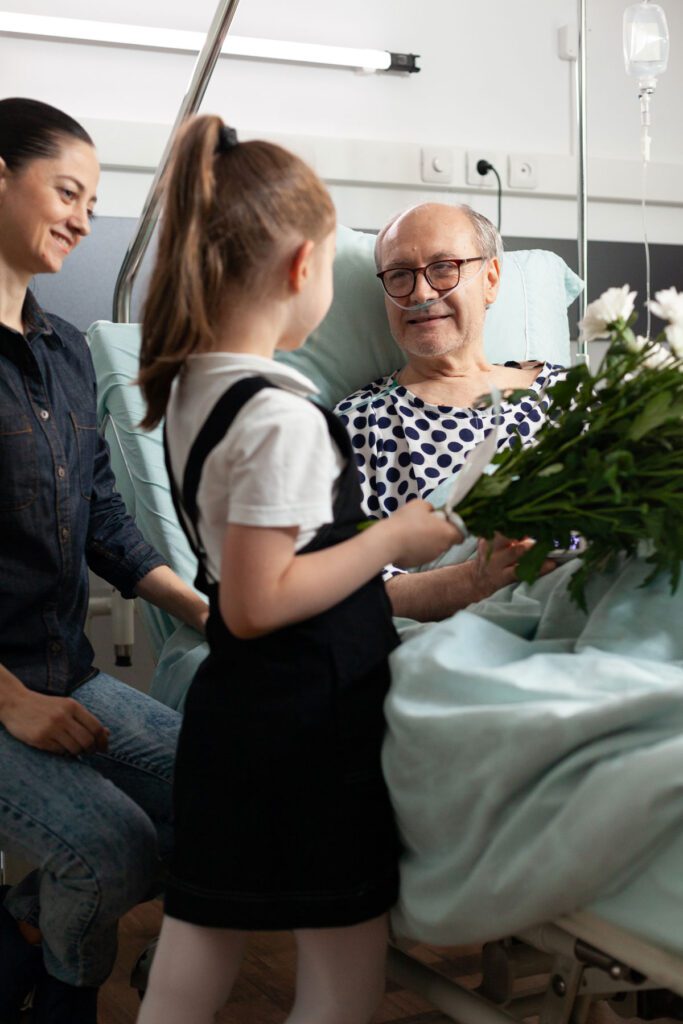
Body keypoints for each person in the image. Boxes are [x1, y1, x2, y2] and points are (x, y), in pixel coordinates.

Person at [135, 115, 460, 1024]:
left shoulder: (197, 384)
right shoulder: (279, 417)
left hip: (239, 723)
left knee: (195, 952)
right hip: (307, 729)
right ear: (299, 270)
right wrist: (394, 537)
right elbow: (254, 601)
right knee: (344, 973)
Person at [0, 98, 209, 1024]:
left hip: (66, 674)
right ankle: (54, 997)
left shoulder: (67, 355)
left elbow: (107, 523)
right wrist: (15, 704)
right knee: (112, 852)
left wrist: (210, 612)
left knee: (221, 793)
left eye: (94, 199)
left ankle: (27, 926)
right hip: (6, 688)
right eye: (68, 191)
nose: (86, 219)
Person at [335, 202, 563, 622]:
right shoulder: (359, 424)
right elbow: (349, 590)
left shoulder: (572, 394)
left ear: (491, 280)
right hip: (474, 627)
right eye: (400, 275)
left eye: (444, 268)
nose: (421, 293)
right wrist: (475, 580)